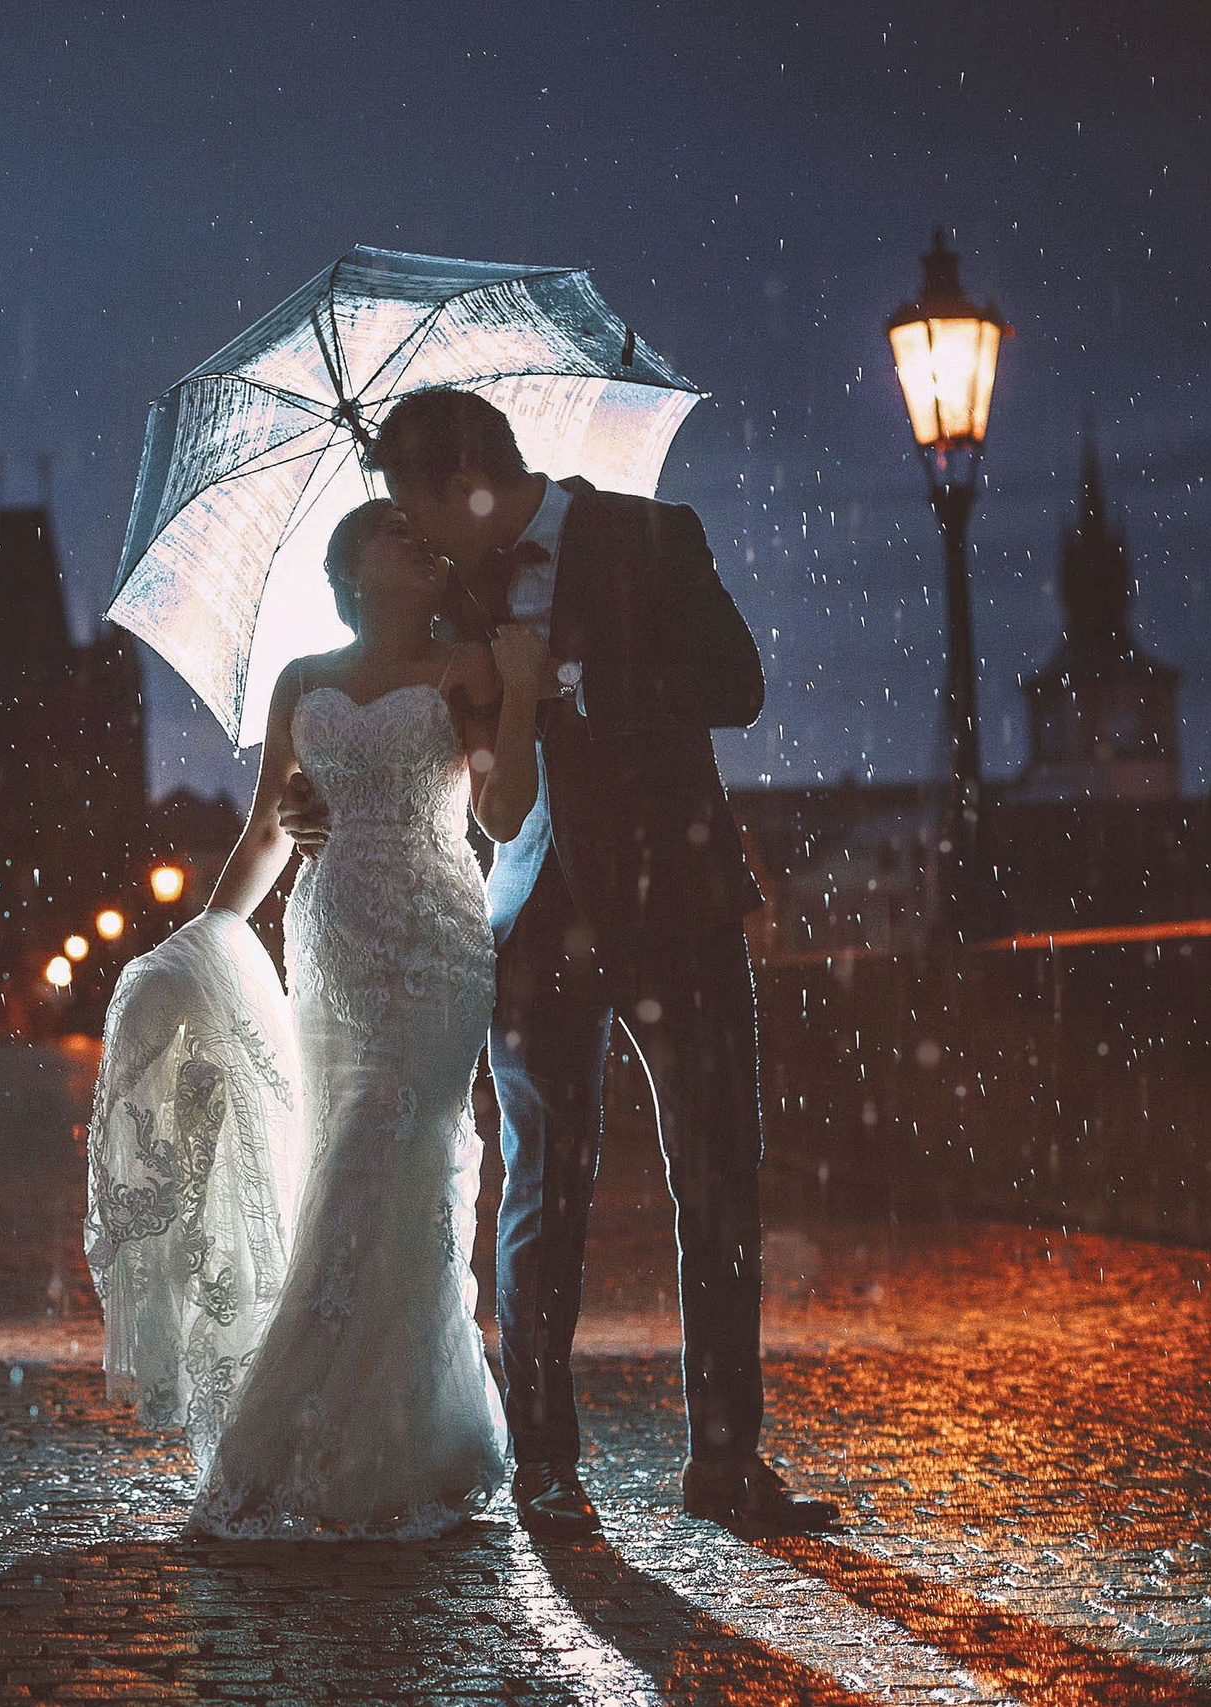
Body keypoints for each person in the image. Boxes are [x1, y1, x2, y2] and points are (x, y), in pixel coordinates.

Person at [280, 387, 839, 1535]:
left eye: (414, 509)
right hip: (532, 915)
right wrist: (316, 794)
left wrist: (575, 684)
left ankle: (726, 1467)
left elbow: (735, 687)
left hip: (676, 907)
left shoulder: (646, 535)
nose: (416, 539)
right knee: (542, 1191)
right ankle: (546, 1465)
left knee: (718, 1185)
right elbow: (402, 709)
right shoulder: (454, 589)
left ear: (467, 484)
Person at [84, 498, 553, 1538]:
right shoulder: (300, 680)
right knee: (343, 1154)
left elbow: (503, 814)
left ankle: (330, 1433)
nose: (418, 541)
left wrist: (516, 697)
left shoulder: (465, 665)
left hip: (433, 938)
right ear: (348, 570)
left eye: (418, 533)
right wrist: (202, 941)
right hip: (331, 939)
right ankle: (367, 1433)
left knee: (396, 1158)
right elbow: (263, 834)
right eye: (393, 533)